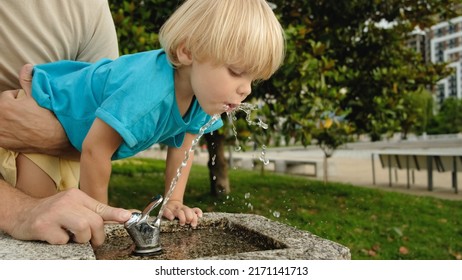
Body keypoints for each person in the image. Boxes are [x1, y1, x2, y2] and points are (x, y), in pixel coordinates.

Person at [2, 0, 285, 243]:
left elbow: (185, 145)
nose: (246, 89)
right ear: (188, 52)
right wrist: (102, 214)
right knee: (47, 231)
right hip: (42, 107)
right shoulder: (147, 91)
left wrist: (174, 201)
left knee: (64, 225)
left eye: (253, 78)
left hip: (66, 131)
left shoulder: (203, 97)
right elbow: (96, 149)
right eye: (236, 72)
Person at [0, 0, 132, 247]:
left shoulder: (87, 7)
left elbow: (107, 128)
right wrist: (18, 210)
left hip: (48, 207)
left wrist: (48, 134)